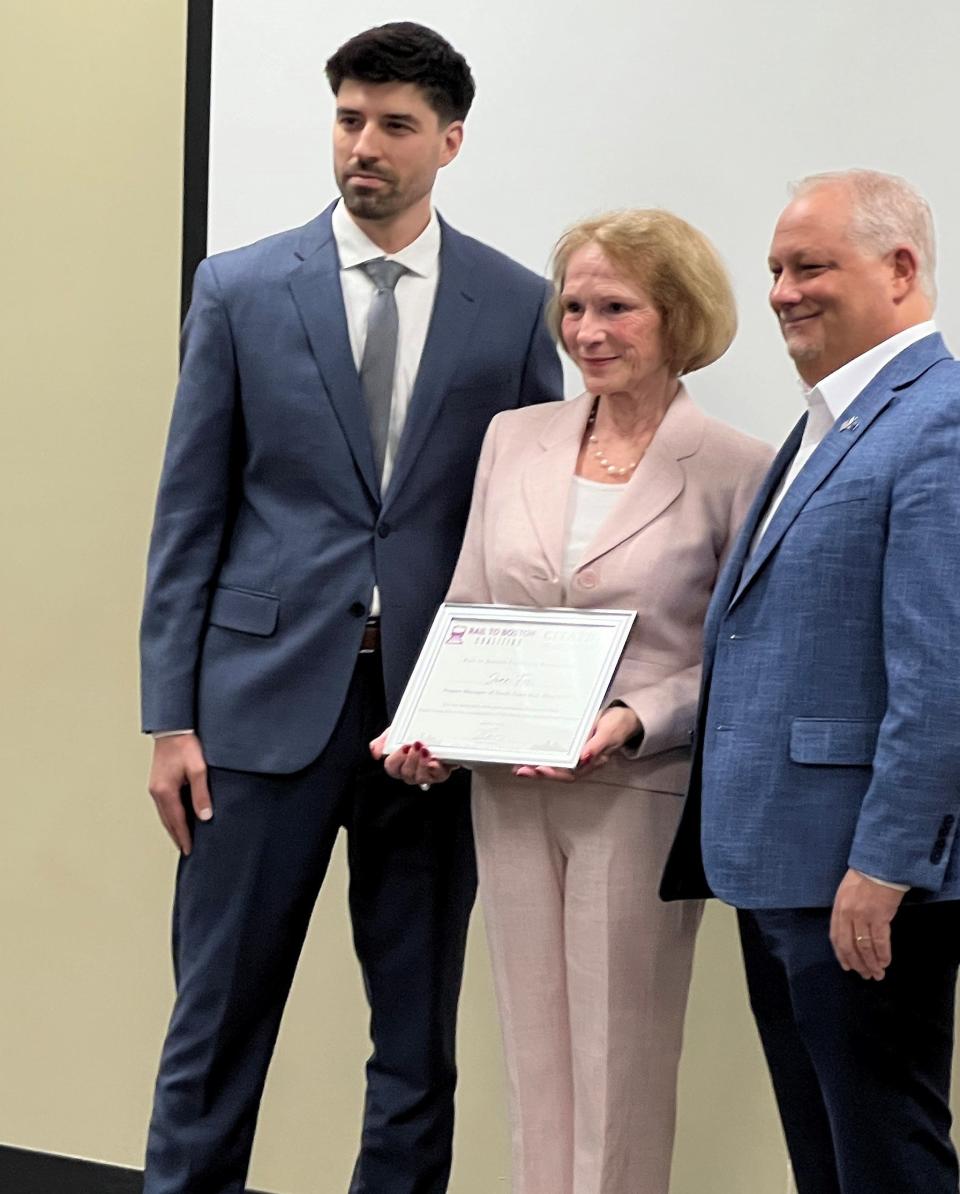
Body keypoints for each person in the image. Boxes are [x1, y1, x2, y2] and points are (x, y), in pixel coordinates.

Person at [139, 22, 561, 1194]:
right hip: (254, 716)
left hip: (431, 720)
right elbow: (188, 517)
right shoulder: (237, 288)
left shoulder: (519, 303)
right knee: (217, 1024)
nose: (363, 147)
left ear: (450, 141)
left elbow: (529, 527)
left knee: (417, 1037)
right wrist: (170, 720)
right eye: (348, 119)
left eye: (394, 126)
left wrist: (513, 704)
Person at [375, 209, 772, 1194]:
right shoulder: (514, 438)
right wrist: (427, 728)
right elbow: (468, 606)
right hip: (506, 788)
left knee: (619, 1062)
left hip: (635, 794)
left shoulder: (739, 467)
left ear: (678, 318)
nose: (587, 330)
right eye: (576, 306)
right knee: (535, 1060)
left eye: (617, 308)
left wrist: (638, 721)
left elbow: (741, 661)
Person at [661, 169, 960, 1194]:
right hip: (784, 866)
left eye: (812, 267)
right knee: (828, 1161)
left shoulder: (940, 422)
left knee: (886, 1158)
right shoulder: (829, 419)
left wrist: (883, 868)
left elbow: (942, 677)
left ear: (901, 270)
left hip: (862, 880)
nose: (783, 291)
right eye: (778, 269)